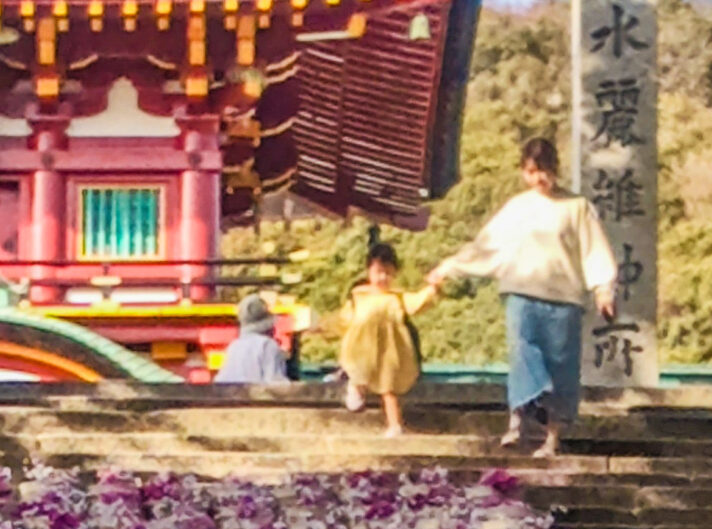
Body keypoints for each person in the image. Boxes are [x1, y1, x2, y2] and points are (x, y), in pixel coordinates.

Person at [425, 136, 618, 458]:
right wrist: (449, 268)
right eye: (531, 172)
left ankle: (551, 439)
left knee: (560, 368)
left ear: (555, 170)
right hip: (522, 293)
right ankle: (517, 421)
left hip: (563, 299)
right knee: (522, 352)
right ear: (523, 172)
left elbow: (594, 251)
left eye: (544, 171)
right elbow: (486, 247)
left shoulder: (576, 207)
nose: (539, 179)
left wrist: (603, 290)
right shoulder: (517, 207)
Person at [311, 239, 432, 436]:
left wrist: (432, 288)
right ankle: (356, 389)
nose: (383, 277)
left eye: (387, 272)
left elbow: (417, 302)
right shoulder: (358, 298)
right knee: (359, 370)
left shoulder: (397, 298)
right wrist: (322, 327)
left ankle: (395, 425)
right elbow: (342, 320)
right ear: (369, 272)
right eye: (378, 272)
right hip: (362, 349)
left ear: (394, 273)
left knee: (388, 388)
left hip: (389, 353)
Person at [215, 291, 291, 385]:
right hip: (254, 398)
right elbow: (276, 384)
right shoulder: (267, 345)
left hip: (231, 397)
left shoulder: (234, 346)